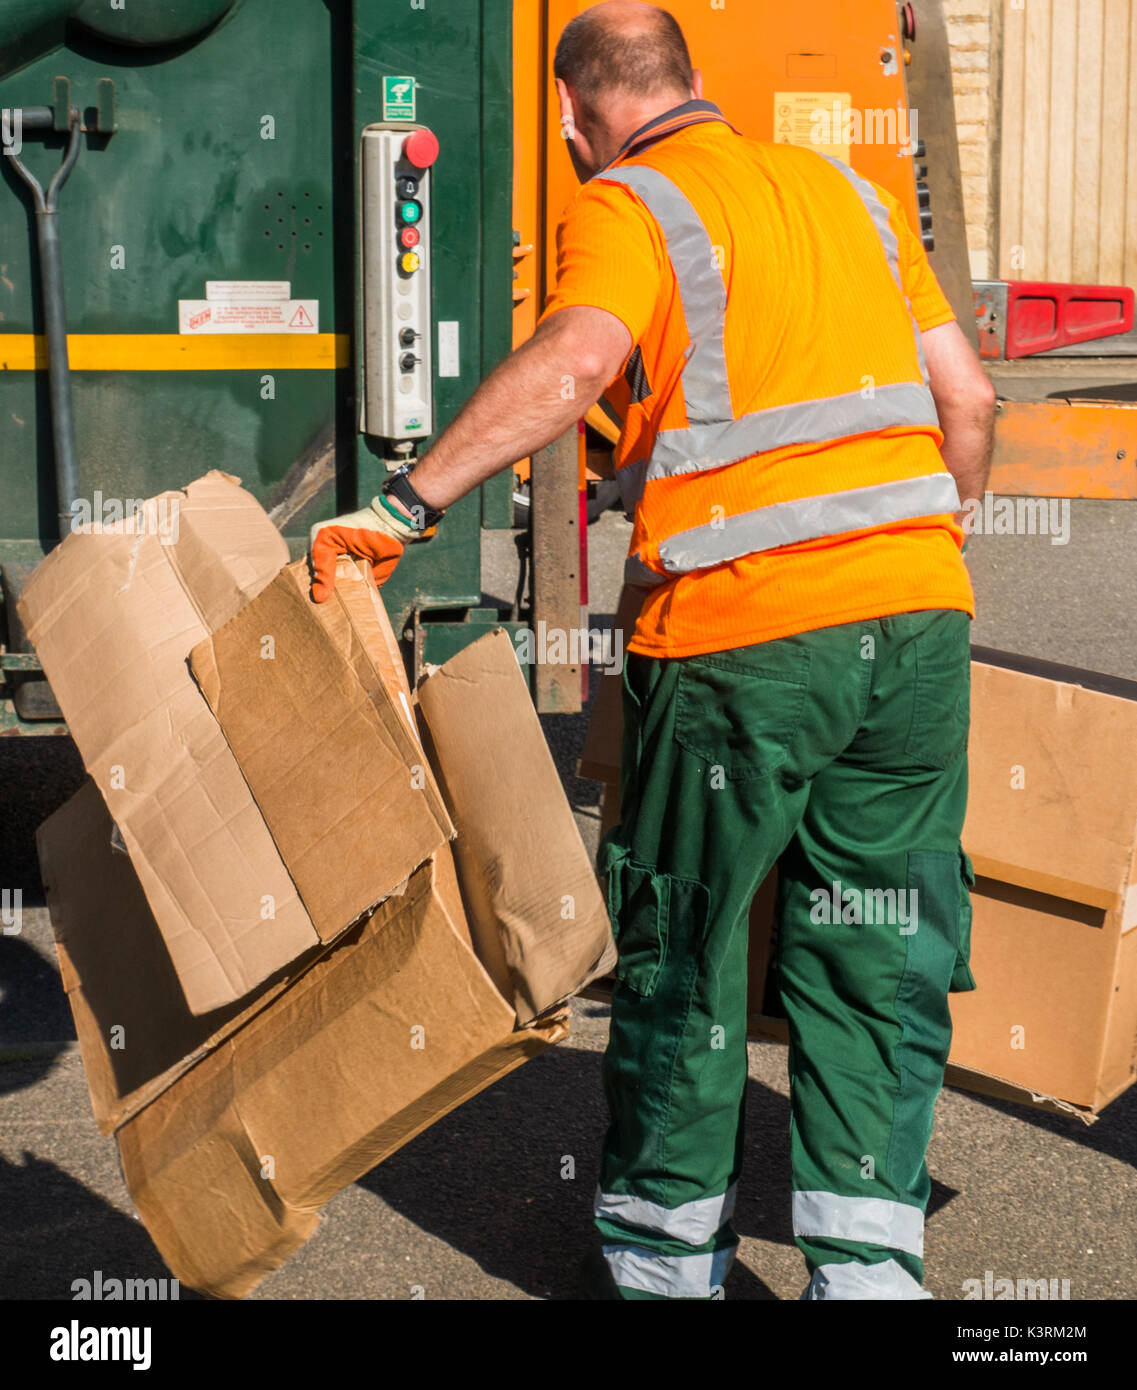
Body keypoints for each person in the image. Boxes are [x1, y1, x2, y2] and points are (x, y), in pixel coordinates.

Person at [309, 0, 996, 1301]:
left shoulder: (629, 202)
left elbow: (575, 360)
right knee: (874, 941)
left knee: (687, 939)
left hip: (743, 635)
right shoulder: (844, 193)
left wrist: (407, 502)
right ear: (691, 77)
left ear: (574, 114)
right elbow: (963, 397)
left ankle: (667, 1262)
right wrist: (925, 544)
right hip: (914, 623)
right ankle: (866, 1270)